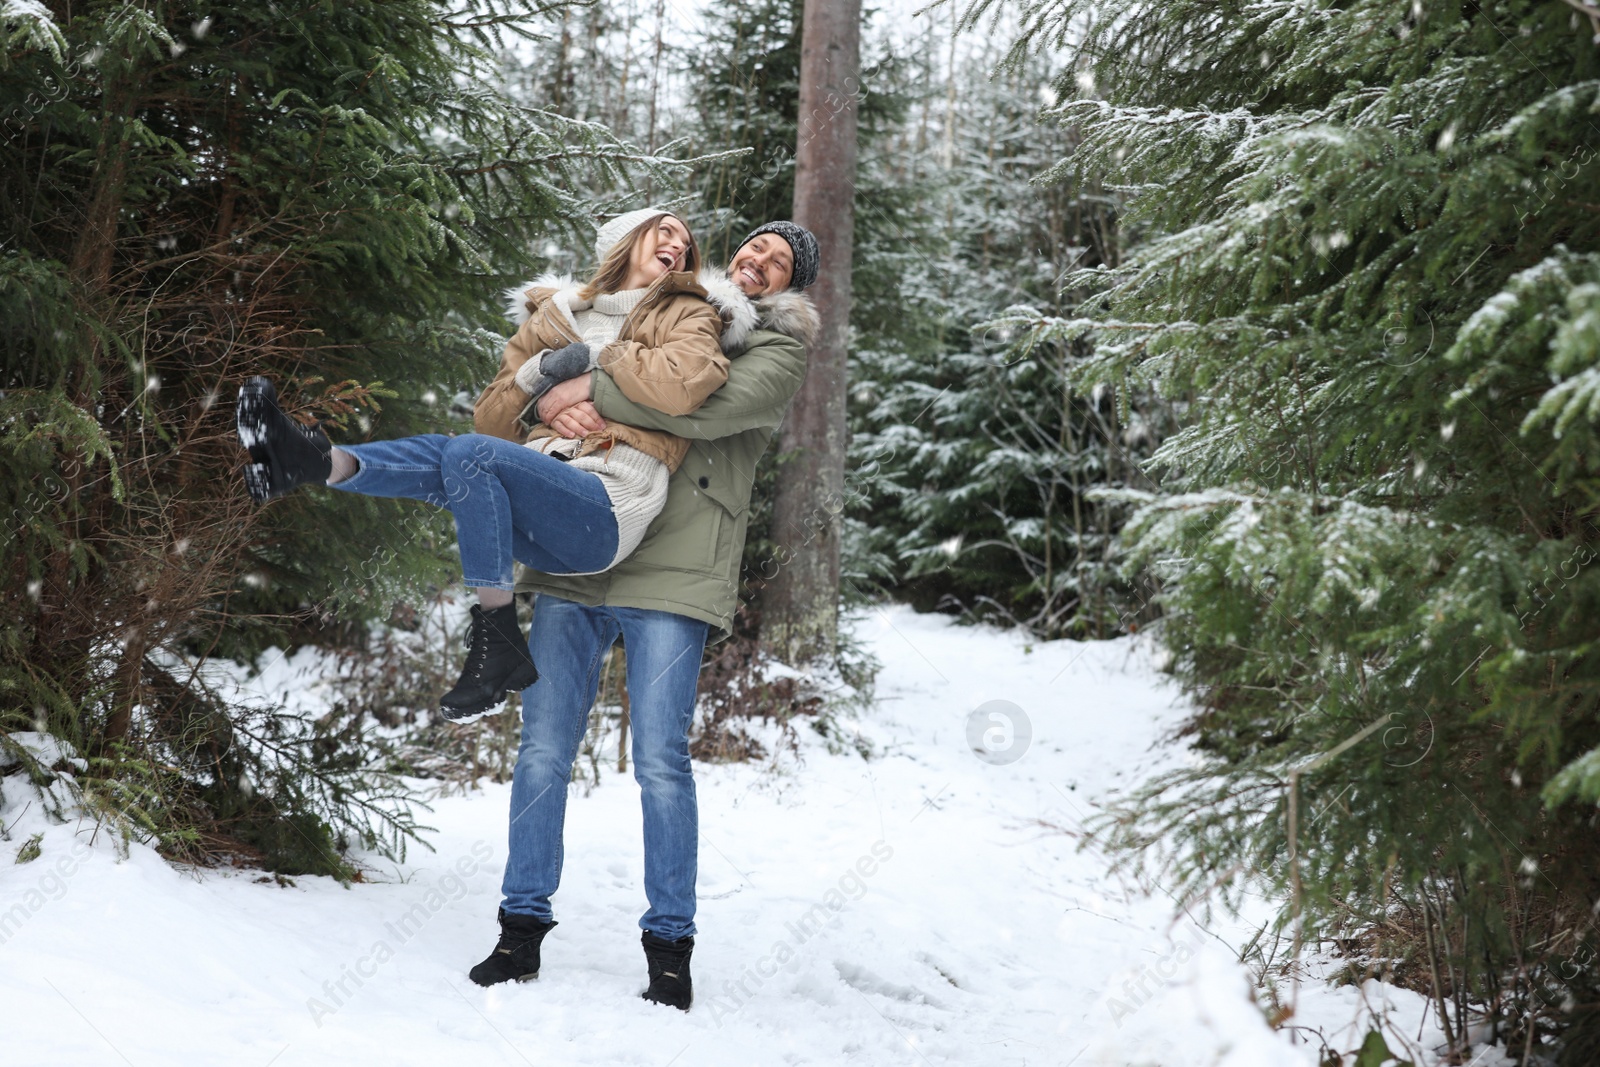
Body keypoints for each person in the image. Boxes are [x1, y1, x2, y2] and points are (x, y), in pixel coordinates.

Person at [465, 222, 821, 1011]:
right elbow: (599, 355)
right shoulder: (682, 306)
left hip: (678, 565)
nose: (759, 262)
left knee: (661, 759)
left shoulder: (779, 347)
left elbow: (698, 406)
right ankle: (519, 931)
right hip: (585, 544)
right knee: (543, 748)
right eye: (756, 248)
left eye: (781, 263)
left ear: (793, 285)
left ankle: (669, 948)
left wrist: (578, 390)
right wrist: (552, 401)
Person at [234, 210, 733, 722]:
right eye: (664, 230)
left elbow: (688, 379)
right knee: (454, 452)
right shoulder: (554, 317)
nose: (679, 243)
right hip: (540, 506)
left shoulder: (687, 312)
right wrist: (540, 381)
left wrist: (593, 370)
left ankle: (498, 635)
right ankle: (316, 463)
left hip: (605, 508)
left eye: (686, 241)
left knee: (466, 453)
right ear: (624, 239)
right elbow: (493, 421)